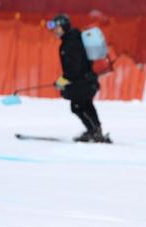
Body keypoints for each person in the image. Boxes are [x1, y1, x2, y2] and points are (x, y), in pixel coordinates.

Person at [48, 14, 110, 143]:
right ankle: (95, 130)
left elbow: (74, 68)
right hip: (86, 80)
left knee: (78, 106)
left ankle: (94, 132)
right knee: (85, 104)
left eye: (57, 27)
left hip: (82, 81)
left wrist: (62, 81)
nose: (55, 30)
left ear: (64, 26)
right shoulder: (73, 39)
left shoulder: (70, 43)